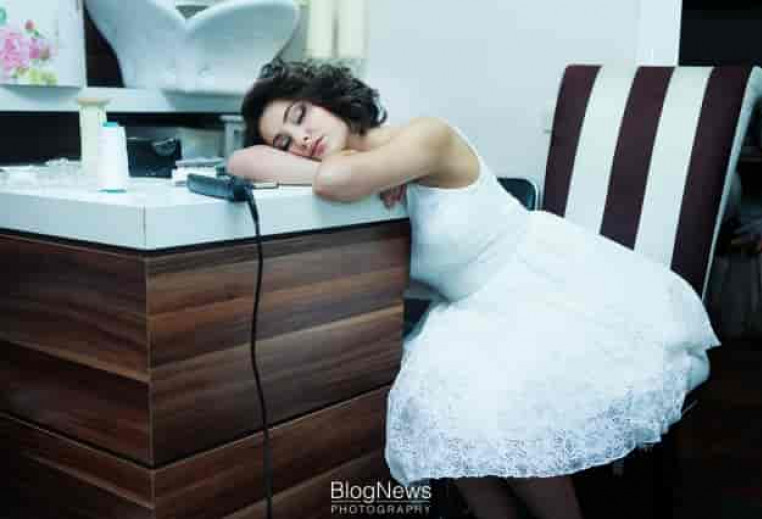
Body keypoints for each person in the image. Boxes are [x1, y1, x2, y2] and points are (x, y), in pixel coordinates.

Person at [229, 59, 720, 519]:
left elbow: (337, 180)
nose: (301, 139)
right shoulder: (374, 170)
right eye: (285, 143)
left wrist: (355, 171)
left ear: (326, 96)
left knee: (504, 414)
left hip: (538, 284)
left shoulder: (427, 135)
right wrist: (360, 171)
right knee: (443, 420)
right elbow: (242, 160)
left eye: (300, 116)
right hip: (470, 309)